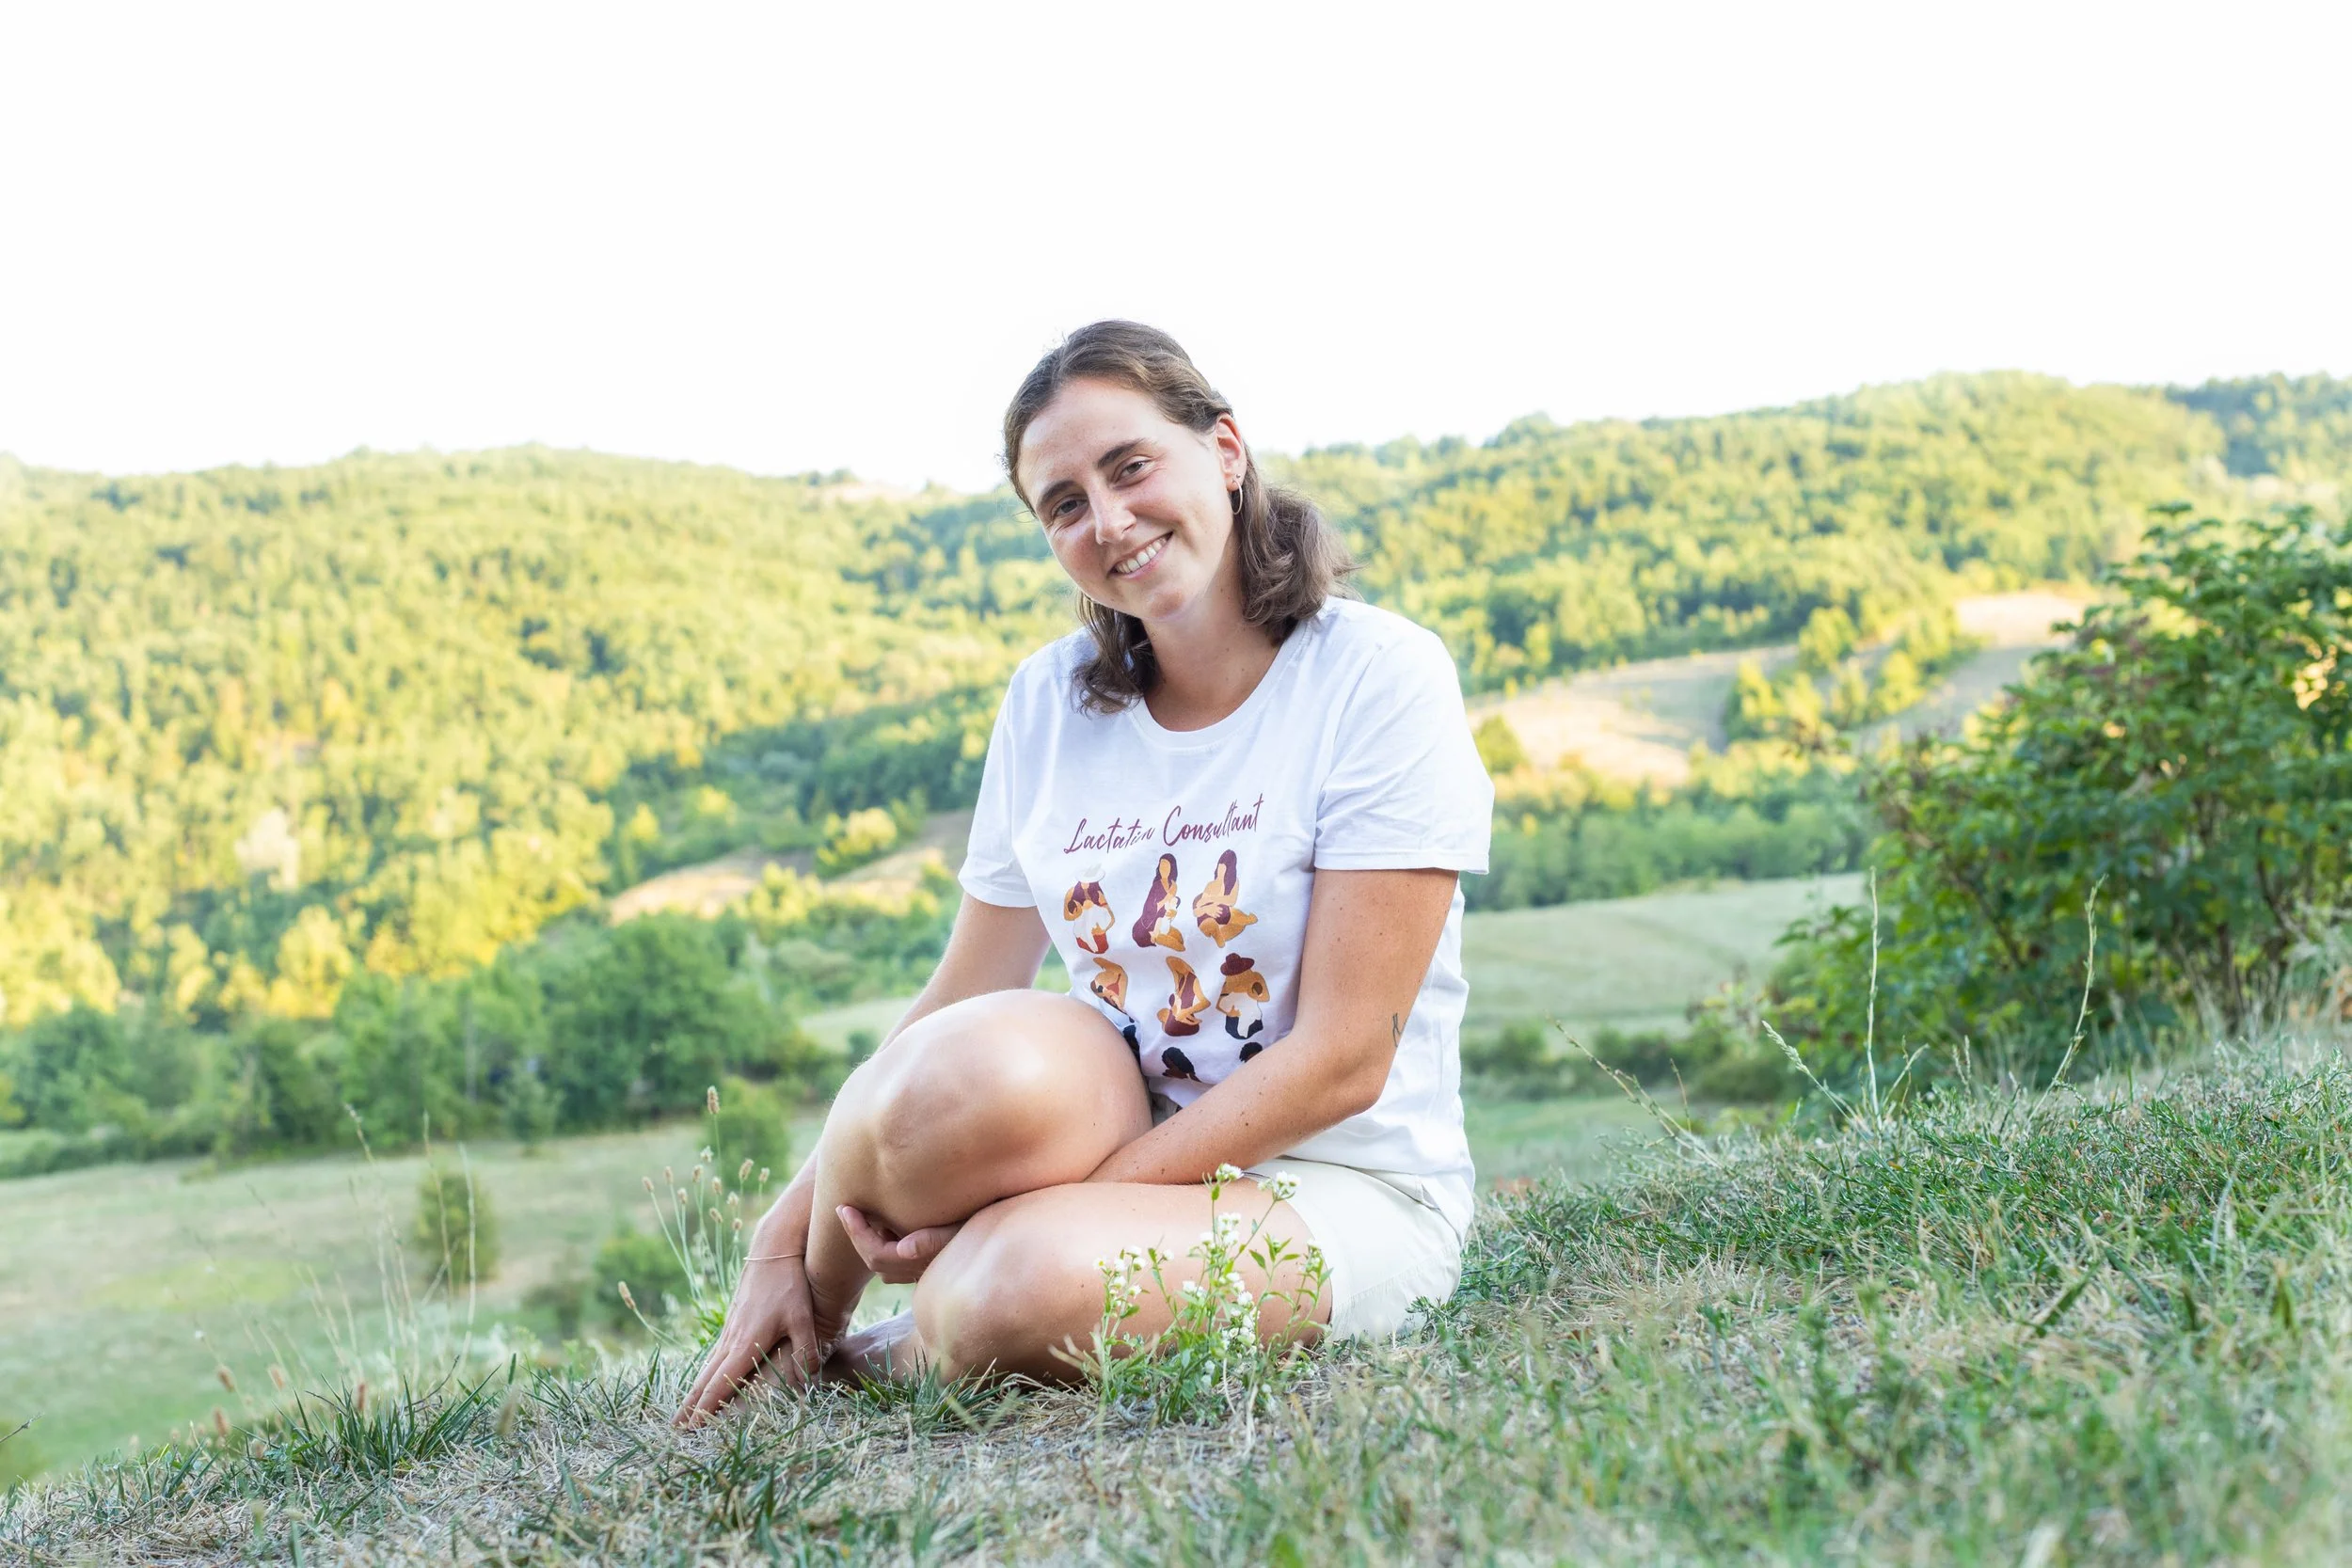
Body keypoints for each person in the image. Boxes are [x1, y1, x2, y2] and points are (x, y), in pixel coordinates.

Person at [678, 321, 1492, 1421]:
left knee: (1013, 1284)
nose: (1108, 521)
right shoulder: (1047, 703)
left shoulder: (1377, 676)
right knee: (928, 1087)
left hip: (1345, 1185)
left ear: (1225, 449)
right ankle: (799, 1334)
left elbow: (1345, 1057)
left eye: (1130, 466)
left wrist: (1059, 1211)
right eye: (1064, 503)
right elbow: (959, 999)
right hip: (1115, 1136)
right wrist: (785, 1239)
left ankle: (925, 1338)